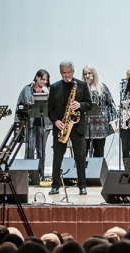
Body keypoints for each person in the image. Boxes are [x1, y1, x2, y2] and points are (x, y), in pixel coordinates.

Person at [48, 61, 92, 195]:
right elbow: (50, 110)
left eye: (69, 72)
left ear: (73, 72)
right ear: (61, 73)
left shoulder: (82, 85)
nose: (66, 75)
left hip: (77, 126)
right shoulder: (55, 87)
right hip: (61, 127)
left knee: (80, 157)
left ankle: (82, 185)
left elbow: (89, 105)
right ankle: (55, 185)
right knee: (57, 157)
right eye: (64, 73)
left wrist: (80, 105)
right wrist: (56, 121)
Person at [15, 69, 53, 181]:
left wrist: (47, 92)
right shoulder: (27, 89)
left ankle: (40, 175)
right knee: (29, 148)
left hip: (44, 124)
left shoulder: (49, 90)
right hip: (30, 124)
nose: (44, 82)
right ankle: (29, 175)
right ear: (37, 77)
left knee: (41, 150)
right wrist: (18, 124)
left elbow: (54, 105)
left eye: (46, 79)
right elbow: (19, 105)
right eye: (43, 79)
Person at [81, 65, 119, 158]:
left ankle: (97, 172)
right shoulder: (81, 88)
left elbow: (111, 103)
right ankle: (83, 172)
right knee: (83, 153)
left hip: (100, 125)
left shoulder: (102, 86)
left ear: (94, 74)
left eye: (89, 73)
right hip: (85, 125)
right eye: (85, 74)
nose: (87, 75)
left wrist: (116, 121)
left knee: (98, 152)